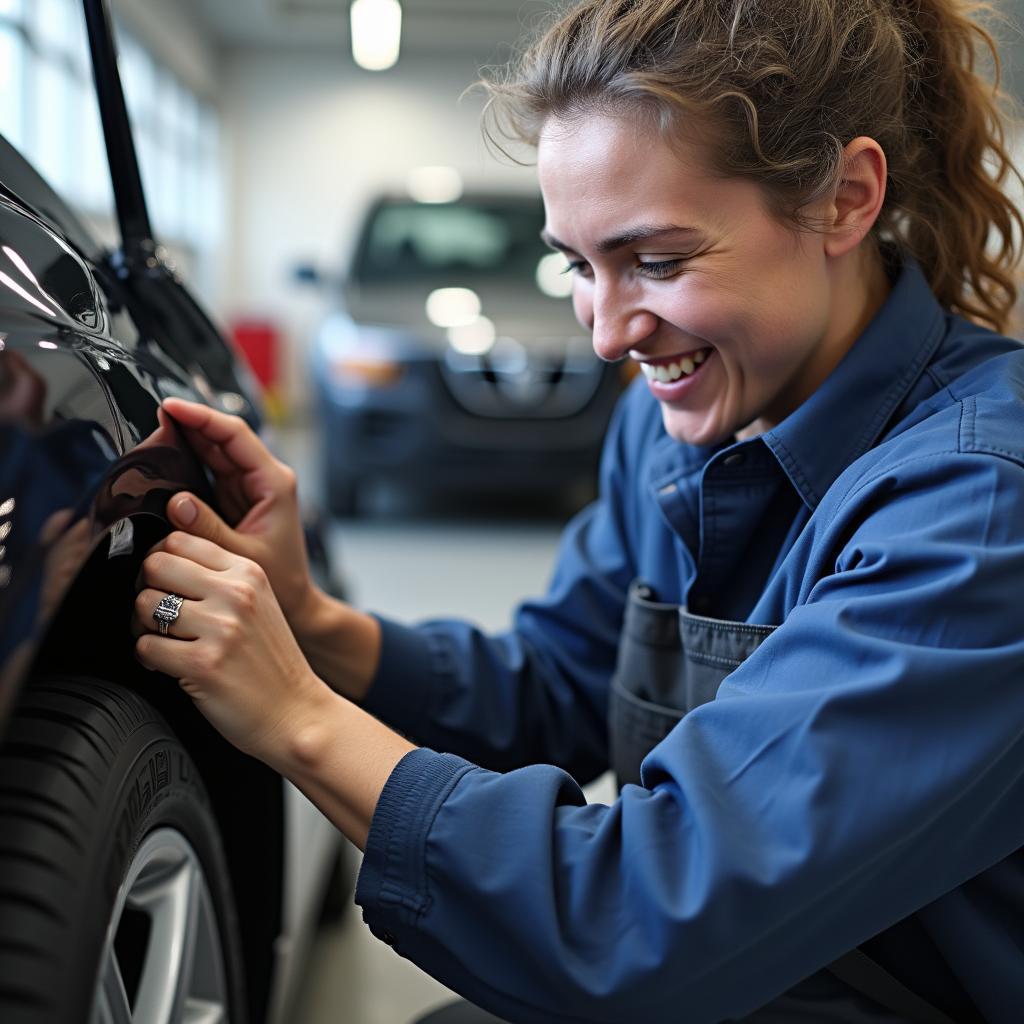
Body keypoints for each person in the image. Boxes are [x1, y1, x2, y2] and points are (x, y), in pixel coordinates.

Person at [131, 0, 1024, 1019]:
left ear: (844, 199)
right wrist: (315, 625)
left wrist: (295, 715)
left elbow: (641, 918)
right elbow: (559, 687)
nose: (605, 334)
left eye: (656, 260)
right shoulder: (678, 420)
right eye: (576, 265)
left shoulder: (981, 506)